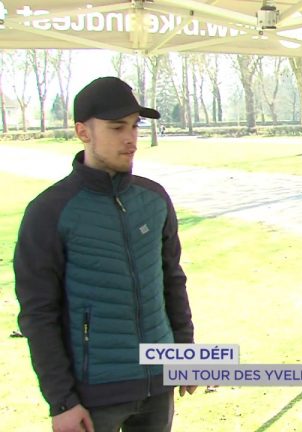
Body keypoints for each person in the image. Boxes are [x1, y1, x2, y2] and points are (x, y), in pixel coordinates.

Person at [14, 76, 196, 432]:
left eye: (134, 126)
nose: (131, 139)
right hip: (93, 395)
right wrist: (61, 401)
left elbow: (172, 282)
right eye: (116, 128)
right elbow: (38, 313)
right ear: (83, 132)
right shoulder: (49, 211)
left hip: (159, 386)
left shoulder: (154, 199)